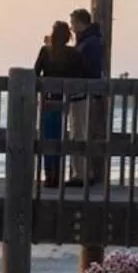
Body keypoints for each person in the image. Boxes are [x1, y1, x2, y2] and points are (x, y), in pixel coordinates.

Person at [35, 21, 86, 188]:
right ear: (67, 37)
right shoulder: (73, 54)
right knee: (61, 138)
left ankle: (49, 176)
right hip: (66, 99)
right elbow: (79, 75)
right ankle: (59, 175)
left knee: (48, 136)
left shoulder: (46, 51)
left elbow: (35, 72)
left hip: (48, 99)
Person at [68, 9, 106, 184]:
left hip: (83, 93)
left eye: (73, 23)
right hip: (86, 93)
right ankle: (84, 172)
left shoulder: (89, 43)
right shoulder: (89, 41)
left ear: (80, 23)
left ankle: (81, 174)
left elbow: (87, 68)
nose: (72, 28)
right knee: (80, 131)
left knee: (79, 132)